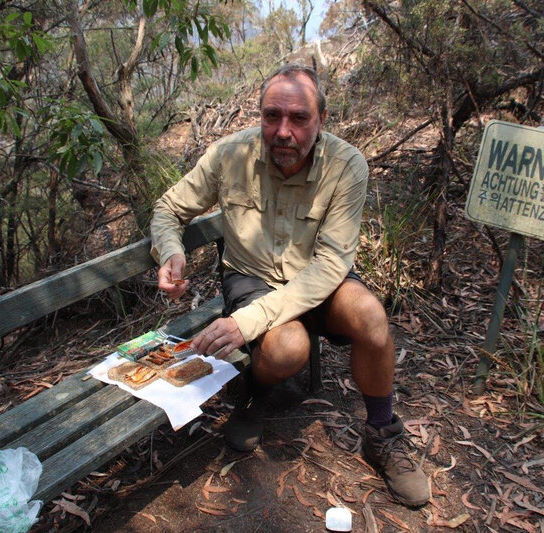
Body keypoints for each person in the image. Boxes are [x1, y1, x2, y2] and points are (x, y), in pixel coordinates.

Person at [150, 64, 430, 507]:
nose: (283, 131)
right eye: (271, 116)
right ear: (259, 115)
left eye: (299, 118)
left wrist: (247, 323)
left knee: (372, 317)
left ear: (320, 121)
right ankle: (254, 394)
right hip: (253, 276)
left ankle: (382, 432)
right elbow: (169, 208)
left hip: (319, 277)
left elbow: (332, 263)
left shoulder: (346, 165)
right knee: (286, 350)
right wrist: (171, 252)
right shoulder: (230, 154)